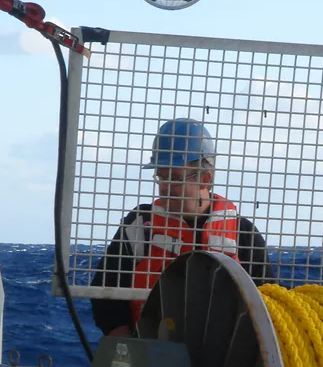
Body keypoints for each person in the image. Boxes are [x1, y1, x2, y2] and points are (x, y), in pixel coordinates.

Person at [90, 118, 274, 337]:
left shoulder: (243, 234)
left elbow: (269, 306)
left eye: (175, 179)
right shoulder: (139, 226)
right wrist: (129, 353)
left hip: (221, 366)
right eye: (161, 176)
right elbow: (104, 298)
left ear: (205, 178)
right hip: (148, 355)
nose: (165, 187)